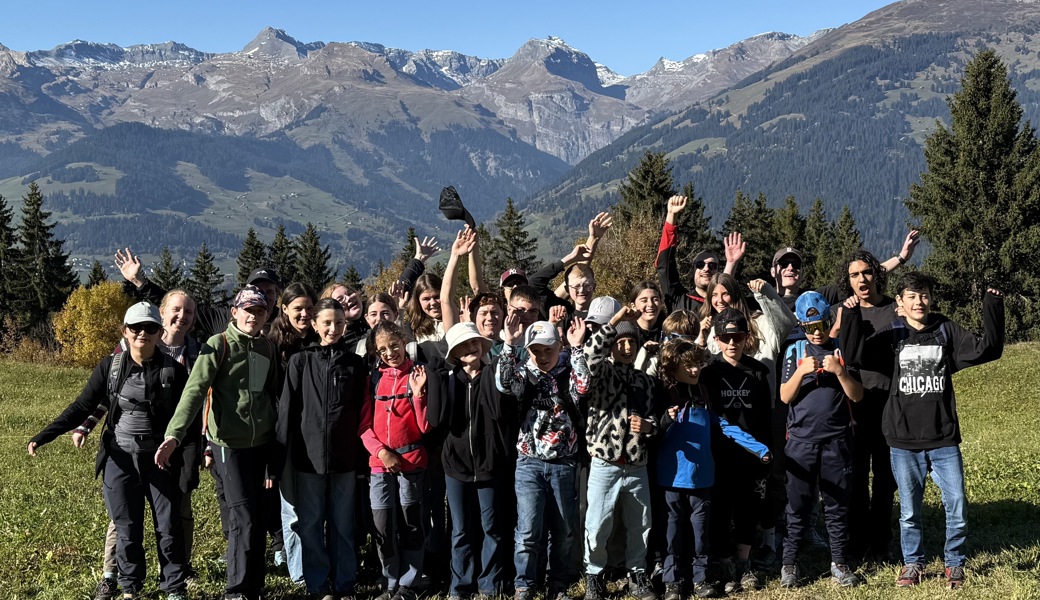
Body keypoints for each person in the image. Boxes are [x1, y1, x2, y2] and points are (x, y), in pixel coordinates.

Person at [842, 272, 1004, 590]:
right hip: (902, 439)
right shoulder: (891, 335)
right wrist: (850, 315)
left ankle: (954, 563)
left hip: (943, 437)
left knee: (956, 505)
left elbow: (989, 349)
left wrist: (993, 304)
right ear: (899, 302)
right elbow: (855, 357)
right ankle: (912, 564)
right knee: (909, 512)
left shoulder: (945, 329)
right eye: (912, 296)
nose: (919, 302)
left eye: (924, 295)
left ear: (931, 298)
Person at [29, 302, 191, 600]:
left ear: (160, 333)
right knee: (127, 527)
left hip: (161, 460)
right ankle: (131, 588)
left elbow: (189, 417)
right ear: (125, 332)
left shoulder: (174, 372)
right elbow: (82, 406)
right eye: (136, 328)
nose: (143, 333)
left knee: (169, 527)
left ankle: (174, 589)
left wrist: (190, 456)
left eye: (151, 328)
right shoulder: (110, 367)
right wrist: (44, 436)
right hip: (120, 459)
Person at [72, 291, 205, 598]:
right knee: (123, 522)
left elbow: (196, 407)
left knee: (174, 519)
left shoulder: (197, 352)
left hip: (169, 452)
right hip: (128, 450)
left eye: (188, 312)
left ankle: (176, 577)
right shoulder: (128, 348)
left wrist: (198, 450)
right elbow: (110, 396)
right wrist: (85, 425)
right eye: (176, 310)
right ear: (162, 313)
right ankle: (113, 576)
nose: (181, 316)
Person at [155, 285, 282, 600]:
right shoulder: (218, 344)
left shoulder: (267, 347)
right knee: (243, 516)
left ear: (267, 316)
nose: (254, 316)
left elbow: (274, 394)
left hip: (262, 443)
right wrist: (175, 434)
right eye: (248, 310)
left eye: (260, 311)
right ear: (235, 312)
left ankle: (255, 587)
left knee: (259, 515)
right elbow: (194, 391)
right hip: (228, 444)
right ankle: (236, 590)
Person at [655, 339, 770, 600]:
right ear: (673, 367)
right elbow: (653, 435)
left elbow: (725, 426)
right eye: (689, 366)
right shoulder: (666, 396)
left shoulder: (704, 395)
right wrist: (665, 420)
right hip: (671, 480)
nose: (695, 370)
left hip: (703, 481)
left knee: (700, 535)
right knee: (672, 535)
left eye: (697, 364)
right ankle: (672, 582)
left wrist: (758, 448)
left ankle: (701, 579)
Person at [277, 298, 367, 600]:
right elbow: (287, 413)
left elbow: (361, 412)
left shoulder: (355, 364)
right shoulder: (300, 361)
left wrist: (362, 459)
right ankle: (318, 584)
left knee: (343, 524)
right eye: (327, 322)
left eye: (339, 323)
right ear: (314, 324)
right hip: (308, 459)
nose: (333, 328)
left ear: (346, 325)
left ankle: (344, 583)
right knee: (311, 523)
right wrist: (279, 459)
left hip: (345, 459)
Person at [496, 318, 589, 600]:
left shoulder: (568, 371)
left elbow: (583, 386)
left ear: (558, 346)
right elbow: (503, 384)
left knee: (563, 530)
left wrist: (577, 349)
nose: (543, 356)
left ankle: (557, 584)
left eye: (548, 349)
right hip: (529, 463)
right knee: (527, 530)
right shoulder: (523, 374)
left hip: (564, 463)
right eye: (536, 351)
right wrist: (509, 345)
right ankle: (524, 585)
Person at [778, 292, 863, 589]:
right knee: (797, 505)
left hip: (836, 440)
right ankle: (789, 564)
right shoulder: (795, 351)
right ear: (801, 326)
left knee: (837, 505)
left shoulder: (840, 349)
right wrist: (801, 371)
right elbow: (784, 396)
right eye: (809, 326)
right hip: (801, 441)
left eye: (821, 325)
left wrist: (839, 371)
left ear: (830, 321)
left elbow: (857, 395)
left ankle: (839, 562)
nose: (816, 332)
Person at [426, 322, 510, 598]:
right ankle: (460, 585)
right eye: (463, 346)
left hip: (490, 463)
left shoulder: (493, 374)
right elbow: (437, 420)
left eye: (474, 343)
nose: (471, 348)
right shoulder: (448, 380)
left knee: (492, 528)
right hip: (456, 466)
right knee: (460, 529)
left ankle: (489, 584)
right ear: (455, 353)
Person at [581, 307, 659, 600]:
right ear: (612, 344)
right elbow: (590, 355)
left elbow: (655, 421)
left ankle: (638, 573)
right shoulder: (601, 372)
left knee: (640, 525)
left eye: (632, 343)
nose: (626, 348)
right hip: (605, 463)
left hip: (637, 464)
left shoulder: (645, 380)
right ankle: (594, 574)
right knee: (598, 525)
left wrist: (649, 426)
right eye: (621, 343)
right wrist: (613, 323)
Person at [359, 320, 433, 600]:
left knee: (411, 522)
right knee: (383, 524)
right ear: (376, 353)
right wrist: (381, 452)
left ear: (404, 342)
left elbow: (425, 426)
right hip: (380, 465)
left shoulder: (417, 374)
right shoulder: (373, 380)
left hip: (412, 464)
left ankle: (409, 583)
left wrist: (418, 395)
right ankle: (390, 579)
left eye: (394, 345)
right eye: (383, 349)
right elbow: (364, 427)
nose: (390, 352)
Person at [700, 309, 772, 594]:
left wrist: (767, 451)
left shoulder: (758, 371)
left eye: (738, 336)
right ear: (716, 340)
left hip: (751, 456)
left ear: (746, 338)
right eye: (726, 337)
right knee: (719, 511)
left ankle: (744, 565)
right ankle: (724, 565)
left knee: (748, 511)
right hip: (719, 455)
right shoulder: (708, 373)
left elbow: (766, 417)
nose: (732, 343)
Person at [115, 247, 282, 338]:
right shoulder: (224, 319)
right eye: (257, 290)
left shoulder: (286, 323)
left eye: (269, 291)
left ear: (278, 295)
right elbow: (177, 306)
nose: (263, 296)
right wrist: (139, 282)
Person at [656, 196, 735, 314]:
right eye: (700, 264)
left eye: (712, 265)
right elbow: (665, 264)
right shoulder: (679, 299)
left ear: (719, 272)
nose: (706, 269)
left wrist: (732, 262)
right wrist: (671, 216)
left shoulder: (725, 306)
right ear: (694, 270)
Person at [529, 213, 612, 321]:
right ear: (567, 289)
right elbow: (535, 282)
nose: (581, 290)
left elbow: (581, 272)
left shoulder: (602, 316)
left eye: (587, 286)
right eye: (576, 287)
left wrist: (594, 239)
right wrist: (570, 258)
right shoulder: (562, 313)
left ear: (594, 286)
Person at [321, 283, 369, 353]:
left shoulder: (378, 316)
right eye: (340, 299)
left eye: (349, 293)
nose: (348, 298)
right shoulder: (336, 339)